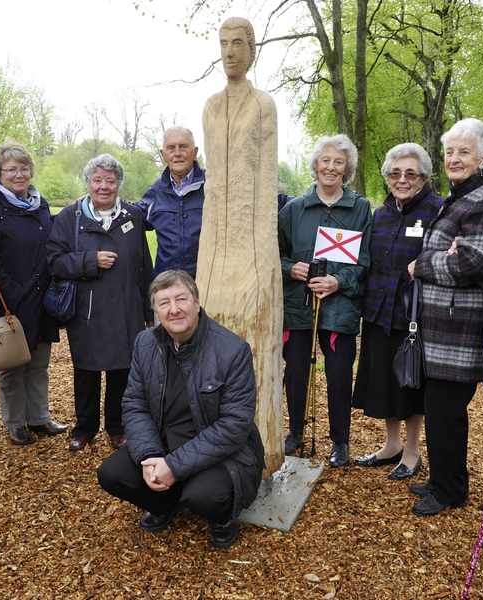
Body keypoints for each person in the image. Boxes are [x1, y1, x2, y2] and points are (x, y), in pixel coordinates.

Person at [97, 270, 265, 549]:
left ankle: (222, 520)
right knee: (112, 475)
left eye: (181, 299)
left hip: (219, 453)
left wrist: (173, 466)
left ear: (197, 303)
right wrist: (150, 456)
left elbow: (234, 425)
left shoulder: (232, 350)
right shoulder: (145, 343)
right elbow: (134, 403)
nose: (174, 309)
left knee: (205, 497)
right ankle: (164, 503)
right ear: (155, 310)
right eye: (164, 303)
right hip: (164, 441)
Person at [406, 118, 483, 516]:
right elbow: (456, 254)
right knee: (439, 409)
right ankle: (443, 480)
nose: (454, 159)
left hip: (460, 329)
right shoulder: (463, 194)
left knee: (446, 411)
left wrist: (422, 265)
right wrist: (443, 254)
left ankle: (450, 491)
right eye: (450, 152)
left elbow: (474, 260)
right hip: (442, 325)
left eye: (464, 152)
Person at [197, 16, 285, 473]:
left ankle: (261, 451)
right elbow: (212, 181)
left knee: (253, 336)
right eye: (224, 43)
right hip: (215, 244)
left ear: (252, 50)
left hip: (252, 240)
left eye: (239, 44)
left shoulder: (263, 105)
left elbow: (266, 182)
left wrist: (261, 257)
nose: (231, 51)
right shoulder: (211, 106)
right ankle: (207, 448)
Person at [47, 154, 153, 452]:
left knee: (122, 370)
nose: (104, 186)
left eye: (110, 180)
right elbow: (54, 262)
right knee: (87, 371)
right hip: (87, 311)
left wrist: (147, 309)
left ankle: (117, 427)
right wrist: (89, 261)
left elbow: (144, 265)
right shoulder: (71, 217)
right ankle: (85, 427)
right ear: (88, 183)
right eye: (97, 180)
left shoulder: (132, 216)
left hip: (126, 309)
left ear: (118, 183)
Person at [279, 134, 372, 468]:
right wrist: (292, 269)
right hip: (299, 304)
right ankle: (296, 433)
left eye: (339, 162)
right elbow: (275, 256)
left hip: (340, 305)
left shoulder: (359, 208)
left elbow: (365, 261)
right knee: (298, 370)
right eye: (326, 161)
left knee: (338, 372)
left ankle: (340, 441)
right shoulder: (293, 210)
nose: (331, 168)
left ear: (346, 169)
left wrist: (338, 281)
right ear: (316, 165)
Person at [352, 143, 441, 479]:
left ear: (423, 177)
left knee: (410, 382)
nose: (402, 179)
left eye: (410, 173)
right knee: (386, 383)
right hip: (378, 313)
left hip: (413, 316)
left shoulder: (436, 210)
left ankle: (412, 451)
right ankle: (391, 445)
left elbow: (445, 256)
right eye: (395, 173)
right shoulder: (381, 214)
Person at [0, 141, 66, 446]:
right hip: (9, 296)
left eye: (24, 168)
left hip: (42, 296)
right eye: (11, 169)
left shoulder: (40, 203)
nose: (19, 174)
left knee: (39, 361)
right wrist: (10, 291)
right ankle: (15, 421)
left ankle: (39, 416)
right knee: (13, 364)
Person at [138, 127, 205, 278]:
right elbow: (133, 217)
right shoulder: (156, 192)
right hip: (167, 283)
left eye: (183, 147)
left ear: (195, 152)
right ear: (163, 155)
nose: (177, 153)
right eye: (171, 148)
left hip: (205, 280)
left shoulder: (211, 187)